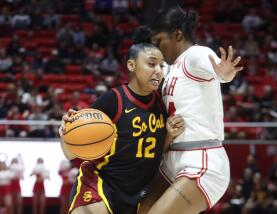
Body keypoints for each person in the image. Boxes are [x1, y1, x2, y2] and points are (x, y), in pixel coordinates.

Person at [60, 27, 184, 214]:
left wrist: (168, 136)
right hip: (100, 185)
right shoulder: (113, 99)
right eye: (151, 64)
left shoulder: (162, 102)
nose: (158, 71)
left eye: (161, 65)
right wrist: (66, 133)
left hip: (138, 193)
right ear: (131, 66)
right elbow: (70, 154)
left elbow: (156, 151)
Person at [139, 6, 243, 214]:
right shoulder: (169, 69)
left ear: (177, 34)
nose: (157, 48)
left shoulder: (195, 55)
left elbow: (215, 69)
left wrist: (224, 74)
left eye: (159, 41)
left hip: (201, 160)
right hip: (171, 162)